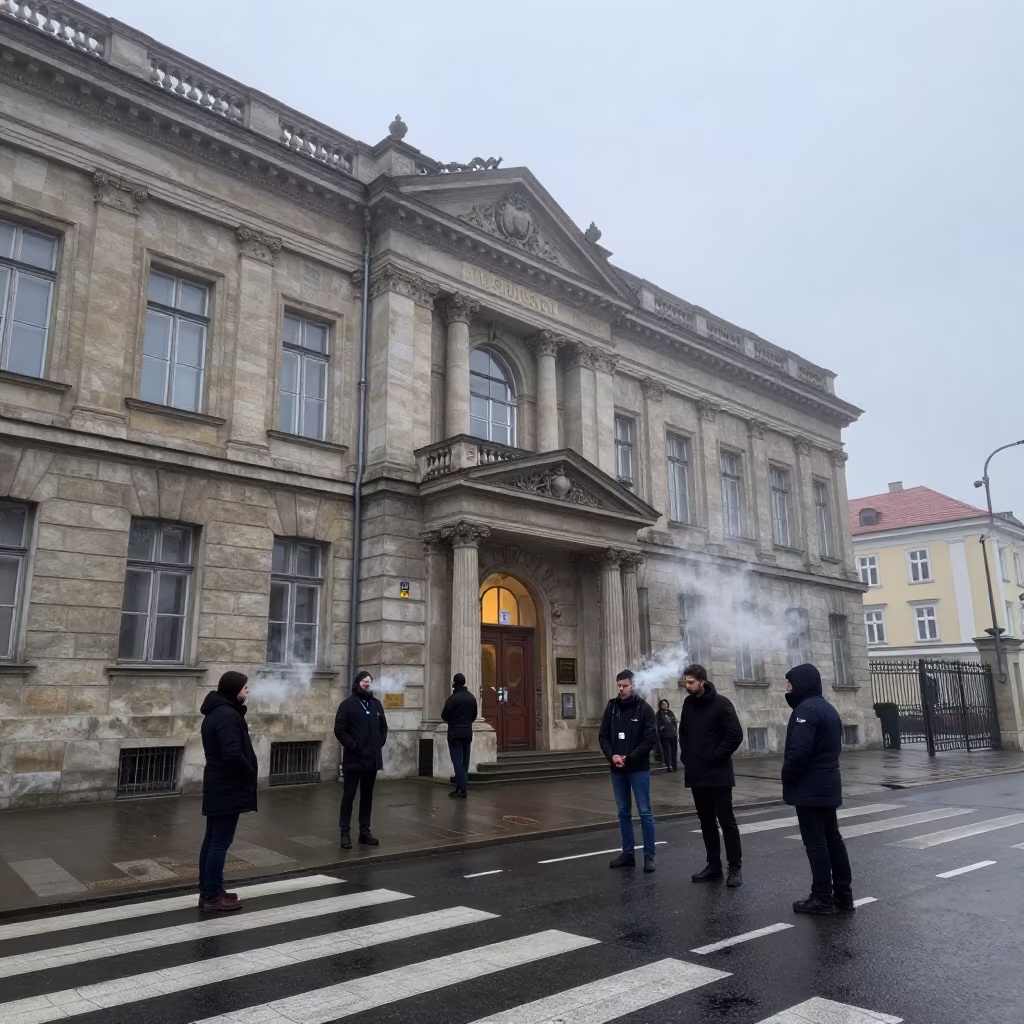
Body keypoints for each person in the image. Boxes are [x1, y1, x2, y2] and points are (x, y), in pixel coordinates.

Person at [783, 663, 854, 915]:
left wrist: (787, 776)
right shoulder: (827, 708)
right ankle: (843, 896)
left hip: (811, 788)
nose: (787, 689)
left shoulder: (806, 710)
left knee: (816, 843)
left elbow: (799, 752)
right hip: (827, 784)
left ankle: (822, 898)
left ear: (802, 684)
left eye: (790, 684)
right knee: (833, 840)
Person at [679, 663, 744, 888]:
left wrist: (716, 755)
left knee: (727, 822)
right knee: (706, 822)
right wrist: (686, 756)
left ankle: (734, 868)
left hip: (718, 773)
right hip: (697, 773)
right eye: (685, 682)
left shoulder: (722, 704)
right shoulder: (688, 704)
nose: (687, 686)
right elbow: (683, 733)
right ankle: (713, 866)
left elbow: (735, 735)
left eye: (690, 682)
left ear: (702, 682)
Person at [198, 670, 257, 912]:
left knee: (213, 839)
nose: (247, 691)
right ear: (234, 690)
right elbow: (232, 752)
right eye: (244, 688)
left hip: (219, 783)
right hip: (227, 784)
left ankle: (211, 890)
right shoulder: (226, 715)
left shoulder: (219, 712)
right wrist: (248, 772)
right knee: (219, 841)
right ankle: (212, 895)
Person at [598, 669, 659, 872]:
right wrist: (612, 756)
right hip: (617, 769)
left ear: (633, 685)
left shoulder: (644, 709)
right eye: (619, 686)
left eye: (624, 685)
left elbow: (650, 739)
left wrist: (630, 757)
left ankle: (649, 855)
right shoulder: (612, 707)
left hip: (638, 768)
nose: (621, 689)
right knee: (623, 812)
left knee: (644, 812)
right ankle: (628, 854)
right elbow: (604, 736)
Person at [335, 670, 389, 849]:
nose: (367, 684)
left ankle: (365, 832)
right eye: (364, 681)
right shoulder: (348, 705)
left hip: (371, 760)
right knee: (349, 796)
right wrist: (354, 746)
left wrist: (379, 743)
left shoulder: (376, 704)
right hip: (354, 760)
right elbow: (340, 729)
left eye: (369, 681)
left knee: (367, 797)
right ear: (357, 683)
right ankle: (345, 833)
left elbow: (383, 727)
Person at [441, 672, 477, 798]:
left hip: (455, 734)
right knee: (465, 761)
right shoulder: (471, 697)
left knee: (457, 761)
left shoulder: (452, 699)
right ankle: (460, 788)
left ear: (454, 683)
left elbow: (444, 716)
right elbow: (474, 716)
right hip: (467, 732)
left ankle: (463, 787)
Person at [656, 699, 679, 772]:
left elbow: (674, 722)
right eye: (662, 704)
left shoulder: (670, 712)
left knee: (674, 751)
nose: (664, 705)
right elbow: (658, 725)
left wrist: (675, 731)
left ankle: (674, 766)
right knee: (667, 752)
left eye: (665, 703)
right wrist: (661, 732)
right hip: (665, 736)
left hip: (673, 735)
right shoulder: (659, 713)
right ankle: (668, 766)